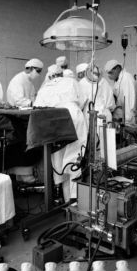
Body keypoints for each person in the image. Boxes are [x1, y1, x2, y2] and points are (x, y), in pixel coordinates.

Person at [35, 65, 88, 202]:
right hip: (73, 115)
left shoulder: (45, 87)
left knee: (58, 158)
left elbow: (36, 107)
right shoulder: (71, 82)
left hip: (55, 118)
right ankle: (74, 199)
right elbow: (82, 102)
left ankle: (64, 197)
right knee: (75, 157)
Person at [104, 59, 136, 126]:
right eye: (108, 73)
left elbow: (129, 99)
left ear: (118, 69)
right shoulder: (117, 80)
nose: (109, 76)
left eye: (111, 73)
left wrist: (127, 120)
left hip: (127, 118)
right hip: (120, 116)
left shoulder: (126, 78)